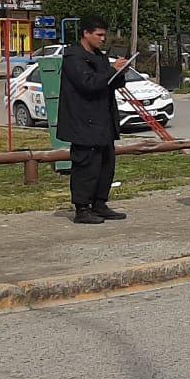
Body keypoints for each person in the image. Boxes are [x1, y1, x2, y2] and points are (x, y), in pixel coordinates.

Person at [57, 15, 131, 225]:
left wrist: (120, 73)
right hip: (83, 121)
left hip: (103, 120)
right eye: (98, 35)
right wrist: (111, 70)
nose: (102, 39)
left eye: (104, 35)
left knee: (105, 165)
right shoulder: (73, 57)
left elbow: (109, 83)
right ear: (86, 34)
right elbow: (88, 84)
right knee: (86, 166)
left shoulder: (99, 56)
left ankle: (100, 203)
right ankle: (82, 208)